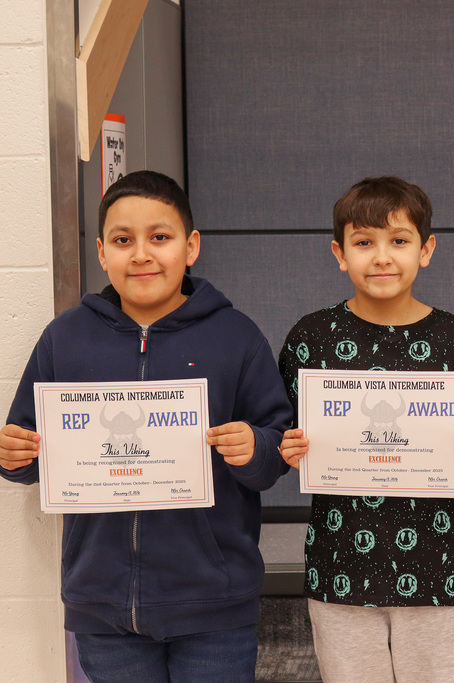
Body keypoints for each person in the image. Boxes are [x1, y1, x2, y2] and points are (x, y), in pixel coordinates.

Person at [0, 170, 292, 681]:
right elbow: (29, 453)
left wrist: (256, 448)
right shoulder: (63, 339)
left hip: (214, 605)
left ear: (191, 245)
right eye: (122, 240)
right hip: (103, 608)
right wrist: (15, 456)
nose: (141, 254)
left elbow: (277, 449)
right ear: (100, 251)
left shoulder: (236, 336)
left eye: (160, 237)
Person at [277, 176, 454, 683]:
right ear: (339, 253)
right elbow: (283, 439)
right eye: (363, 242)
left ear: (426, 250)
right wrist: (289, 449)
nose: (381, 257)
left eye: (399, 241)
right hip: (340, 564)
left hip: (443, 568)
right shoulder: (310, 339)